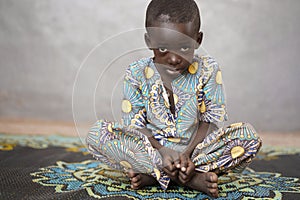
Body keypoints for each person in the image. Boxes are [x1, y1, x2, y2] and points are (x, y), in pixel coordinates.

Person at [86, 0, 262, 197]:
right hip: (153, 150)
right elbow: (136, 124)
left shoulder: (208, 69)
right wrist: (162, 151)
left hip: (196, 151)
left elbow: (209, 120)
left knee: (248, 137)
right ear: (149, 41)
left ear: (198, 39)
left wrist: (187, 155)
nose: (174, 58)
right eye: (162, 49)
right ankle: (189, 177)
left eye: (185, 48)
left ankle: (158, 175)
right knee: (97, 134)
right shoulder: (136, 73)